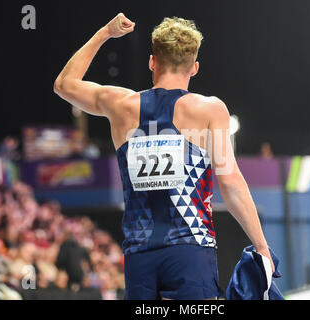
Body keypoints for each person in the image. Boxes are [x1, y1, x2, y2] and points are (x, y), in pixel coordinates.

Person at [54, 13, 274, 300]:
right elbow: (230, 182)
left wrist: (105, 33)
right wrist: (261, 246)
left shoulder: (120, 104)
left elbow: (63, 84)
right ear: (194, 68)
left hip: (139, 255)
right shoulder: (209, 109)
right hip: (191, 250)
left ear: (152, 62)